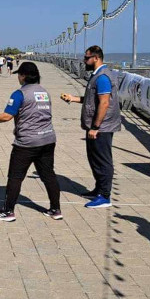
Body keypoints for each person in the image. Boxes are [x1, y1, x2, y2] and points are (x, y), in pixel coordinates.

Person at [0, 62, 62, 222]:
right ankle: (55, 209)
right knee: (48, 175)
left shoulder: (19, 94)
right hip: (48, 139)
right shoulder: (44, 92)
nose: (18, 77)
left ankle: (8, 212)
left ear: (23, 76)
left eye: (18, 74)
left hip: (27, 143)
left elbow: (7, 116)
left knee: (15, 177)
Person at [60, 45, 121, 209]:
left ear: (96, 58)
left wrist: (95, 127)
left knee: (103, 160)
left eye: (86, 58)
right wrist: (74, 98)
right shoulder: (96, 76)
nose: (84, 60)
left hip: (102, 127)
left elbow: (104, 102)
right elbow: (92, 99)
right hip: (97, 126)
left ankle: (105, 196)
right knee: (94, 159)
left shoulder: (102, 77)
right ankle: (98, 190)